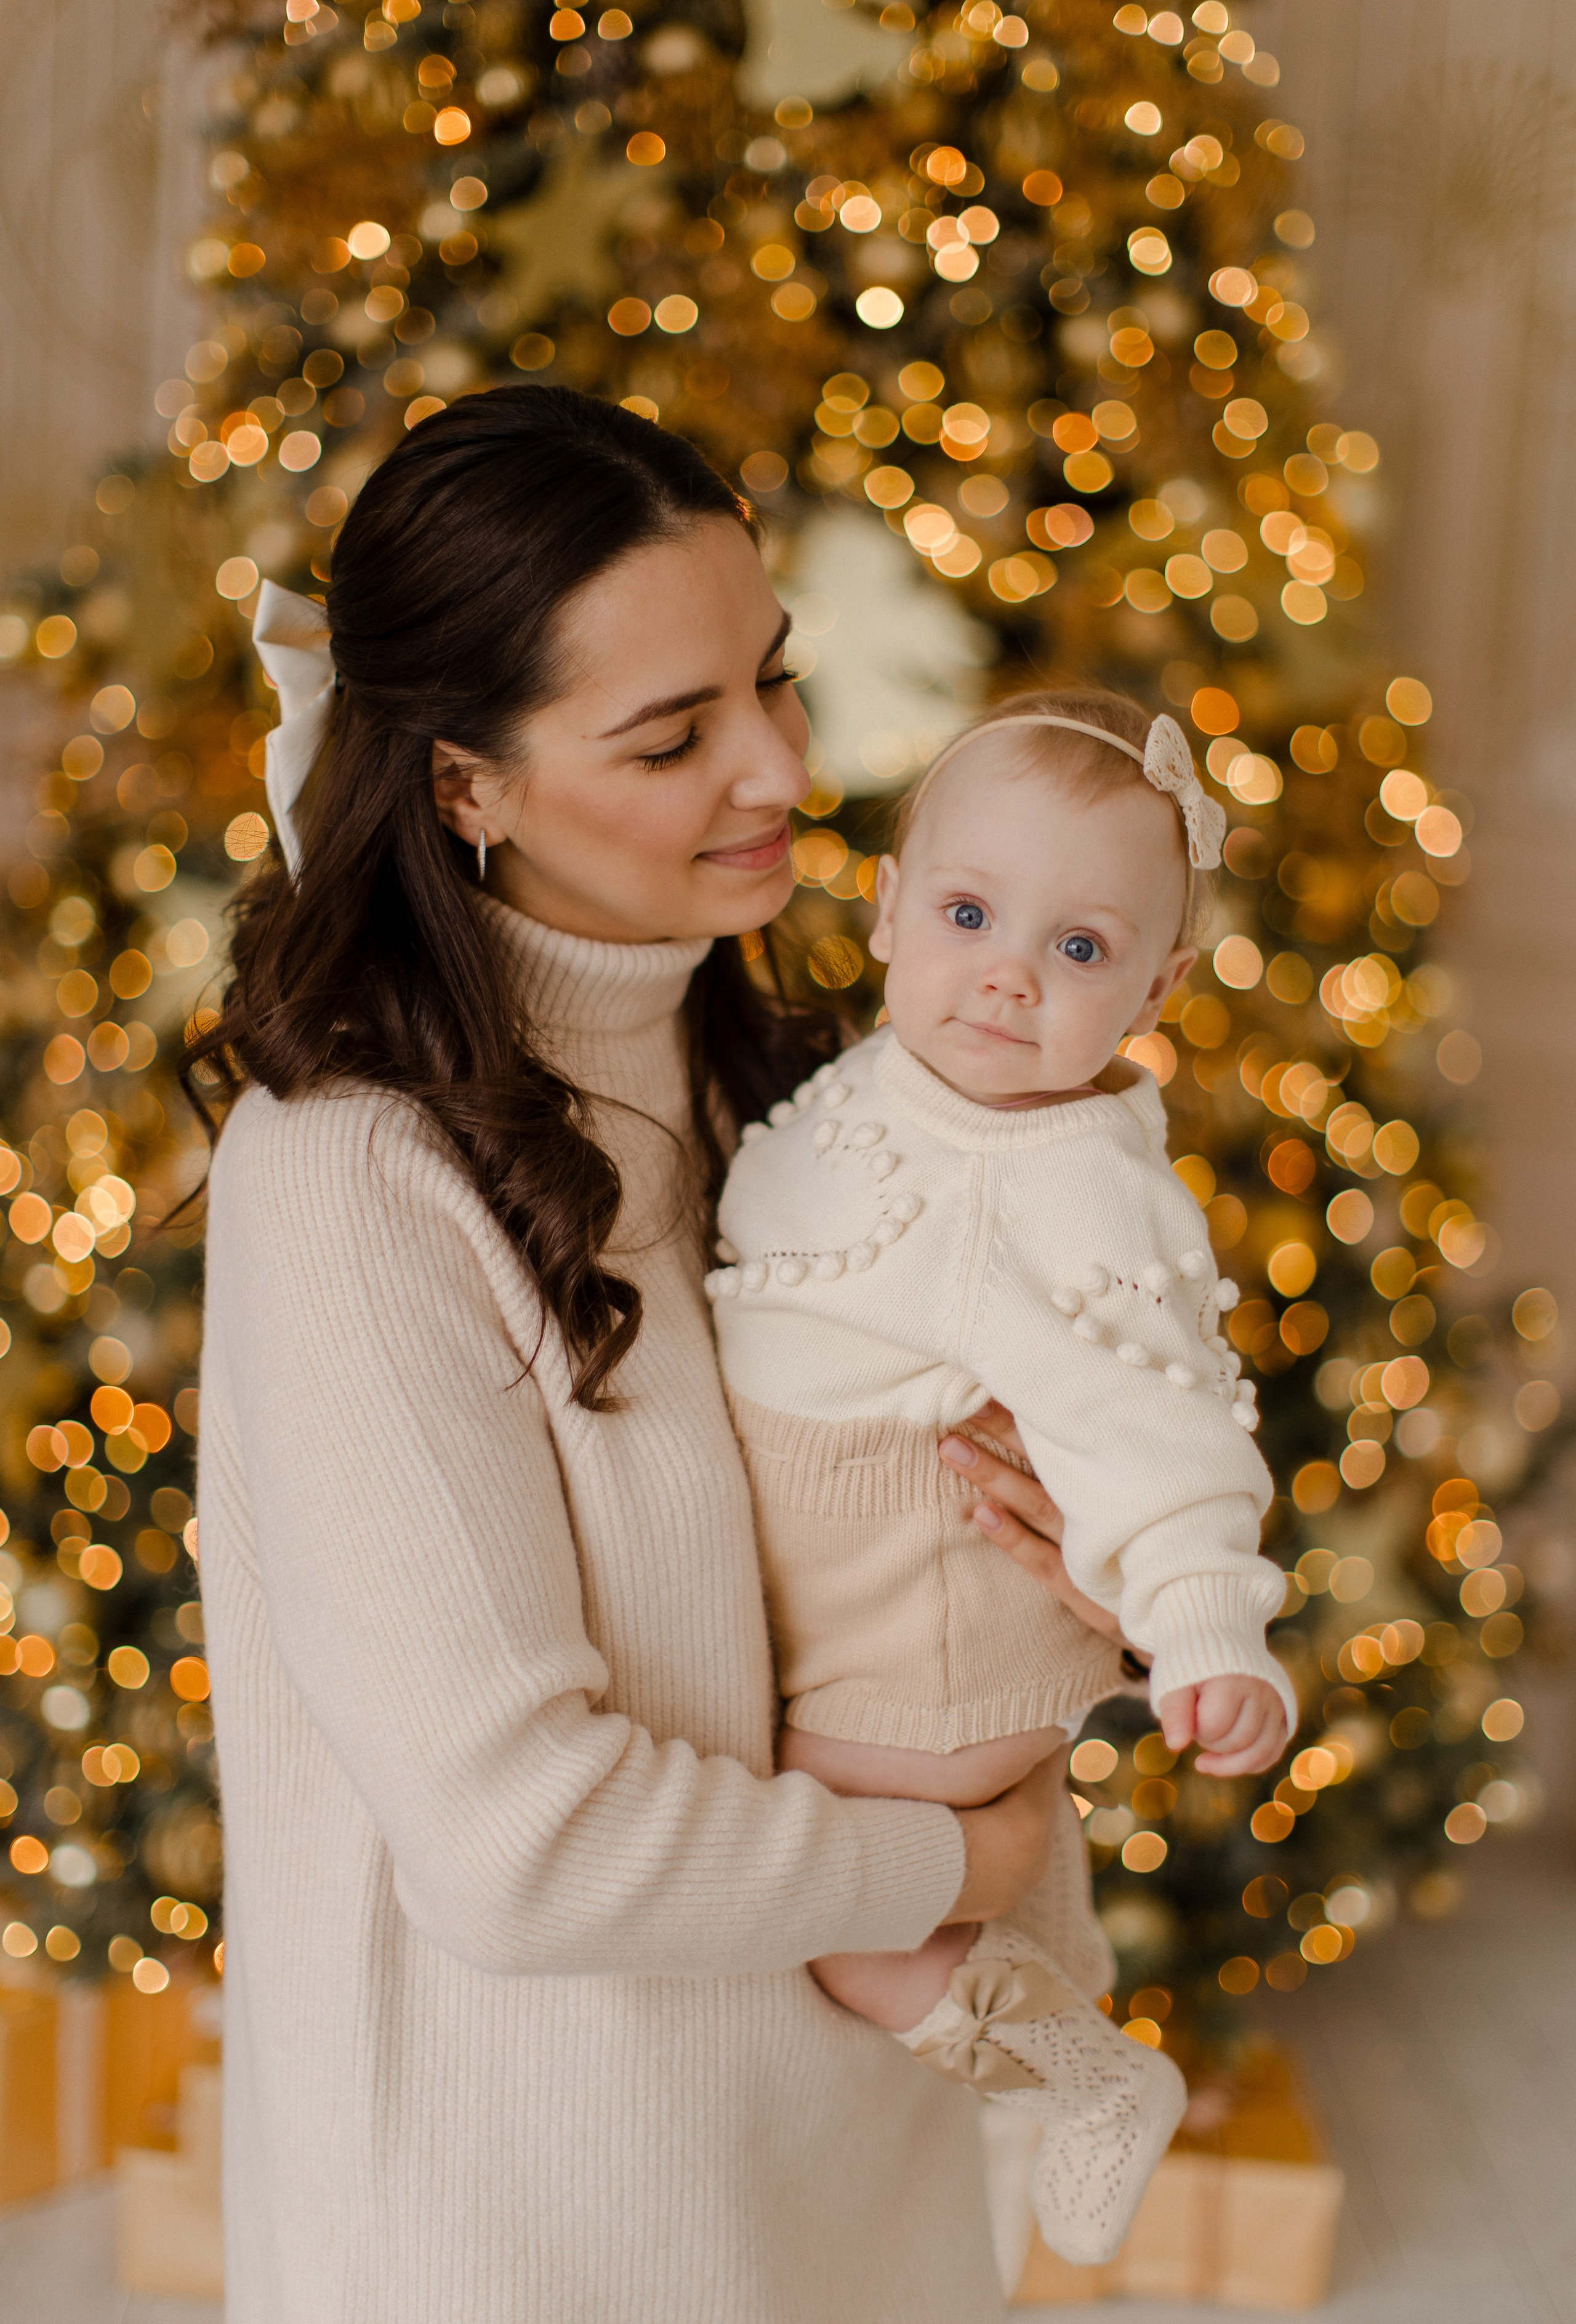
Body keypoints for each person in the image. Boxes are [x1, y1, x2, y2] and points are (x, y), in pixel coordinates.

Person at [188, 385, 1097, 2323]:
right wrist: (950, 1863)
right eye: (673, 736)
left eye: (773, 679)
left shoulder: (809, 1094)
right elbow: (518, 1848)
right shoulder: (347, 1178)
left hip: (847, 2193)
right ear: (468, 788)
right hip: (521, 2248)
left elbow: (860, 1619)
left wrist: (1057, 1558)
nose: (781, 764)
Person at [708, 689, 1298, 2264]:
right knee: (939, 1873)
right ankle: (1053, 1973)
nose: (1008, 974)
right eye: (968, 915)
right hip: (880, 1601)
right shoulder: (889, 1080)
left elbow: (1159, 1426)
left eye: (1079, 948)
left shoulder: (1064, 1185)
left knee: (840, 1924)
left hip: (926, 1631)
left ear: (1157, 990)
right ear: (888, 906)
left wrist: (1206, 1631)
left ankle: (1084, 2081)